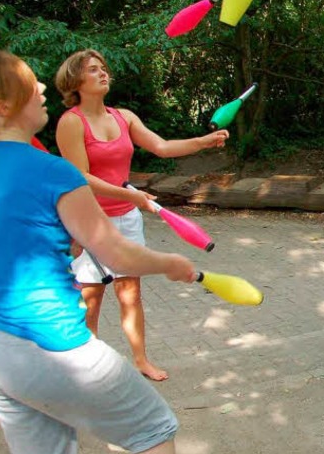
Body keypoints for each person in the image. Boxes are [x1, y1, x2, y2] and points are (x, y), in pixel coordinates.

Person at [0, 50, 202, 454]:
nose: (44, 90)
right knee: (154, 431)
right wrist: (171, 264)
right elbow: (114, 251)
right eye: (32, 85)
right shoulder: (49, 170)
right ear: (4, 107)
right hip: (50, 344)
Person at [55, 50, 227, 381]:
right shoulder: (71, 122)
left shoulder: (123, 116)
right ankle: (84, 368)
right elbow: (81, 177)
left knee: (130, 293)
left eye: (104, 68)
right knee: (91, 297)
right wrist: (130, 195)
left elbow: (162, 147)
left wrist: (203, 142)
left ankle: (141, 360)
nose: (103, 73)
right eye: (93, 70)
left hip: (126, 218)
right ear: (75, 81)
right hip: (90, 220)